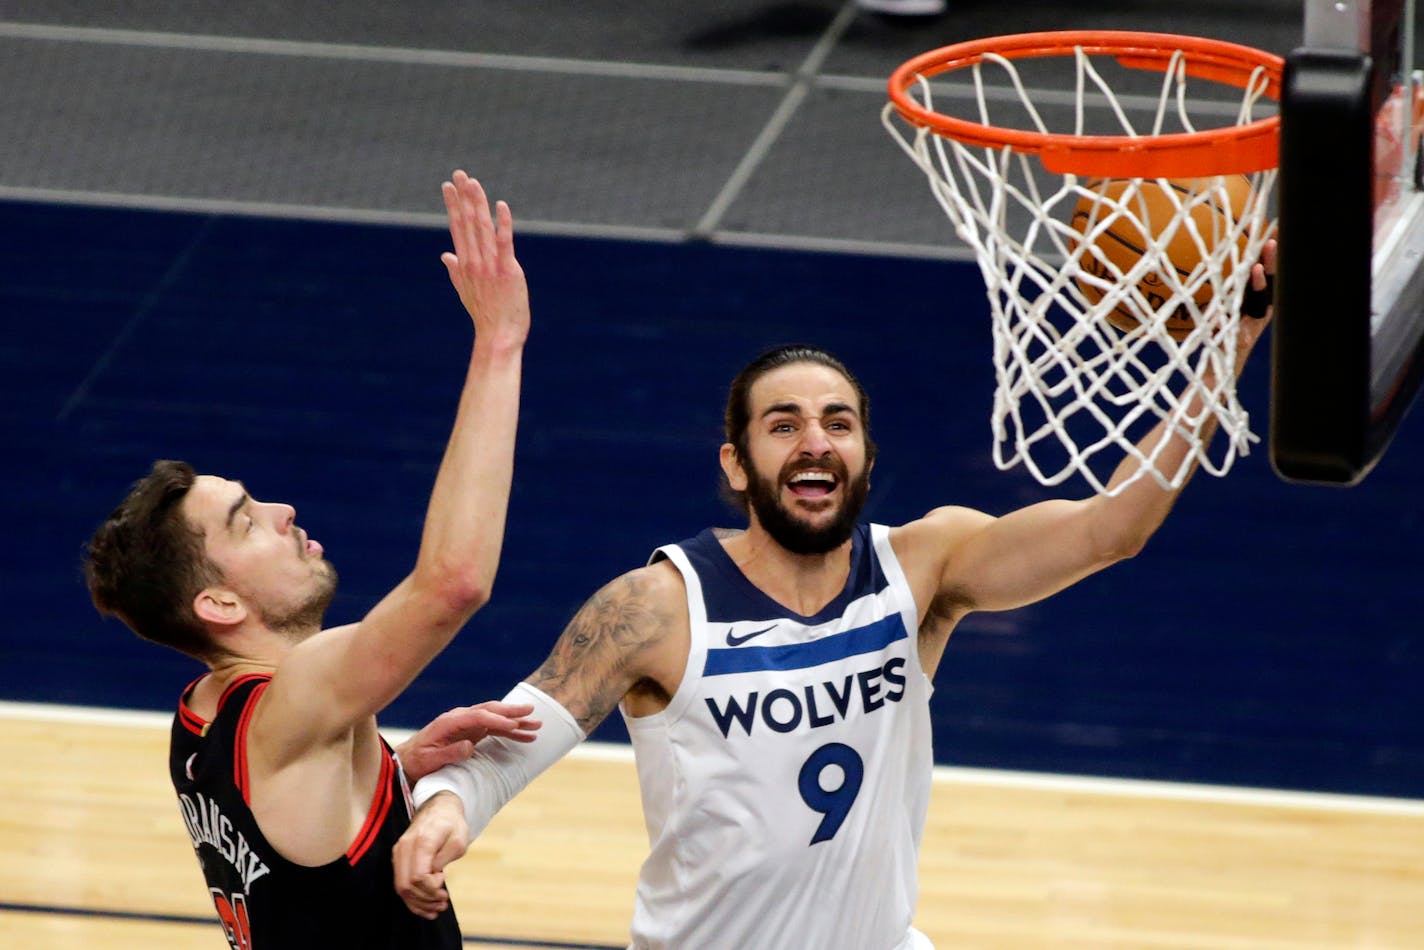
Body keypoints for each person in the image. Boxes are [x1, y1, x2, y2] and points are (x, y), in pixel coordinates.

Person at [393, 247, 1277, 949]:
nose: (815, 442)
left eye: (838, 423)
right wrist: (448, 811)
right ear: (736, 465)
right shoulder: (657, 605)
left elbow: (1109, 529)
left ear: (865, 456)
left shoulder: (924, 568)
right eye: (784, 425)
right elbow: (517, 732)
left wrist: (1221, 355)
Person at [81, 170, 536, 950]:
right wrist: (498, 344)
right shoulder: (290, 702)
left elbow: (304, 859)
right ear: (219, 605)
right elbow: (453, 583)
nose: (284, 513)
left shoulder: (204, 713)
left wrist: (391, 772)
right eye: (247, 523)